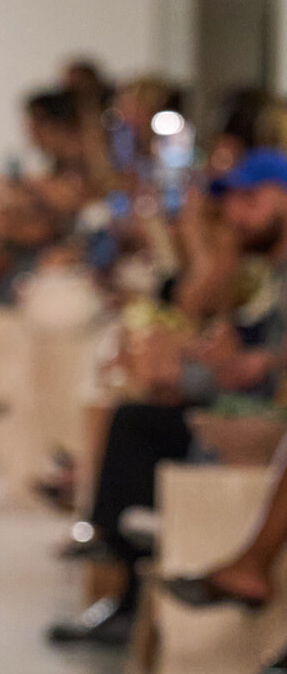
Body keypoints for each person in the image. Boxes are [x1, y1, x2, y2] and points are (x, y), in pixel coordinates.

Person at [51, 148, 287, 645]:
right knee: (135, 411)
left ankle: (116, 556)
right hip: (248, 405)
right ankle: (117, 560)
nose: (239, 215)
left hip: (260, 418)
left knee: (142, 413)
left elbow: (253, 354)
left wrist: (252, 361)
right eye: (233, 204)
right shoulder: (266, 270)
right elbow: (209, 320)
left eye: (253, 200)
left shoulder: (257, 269)